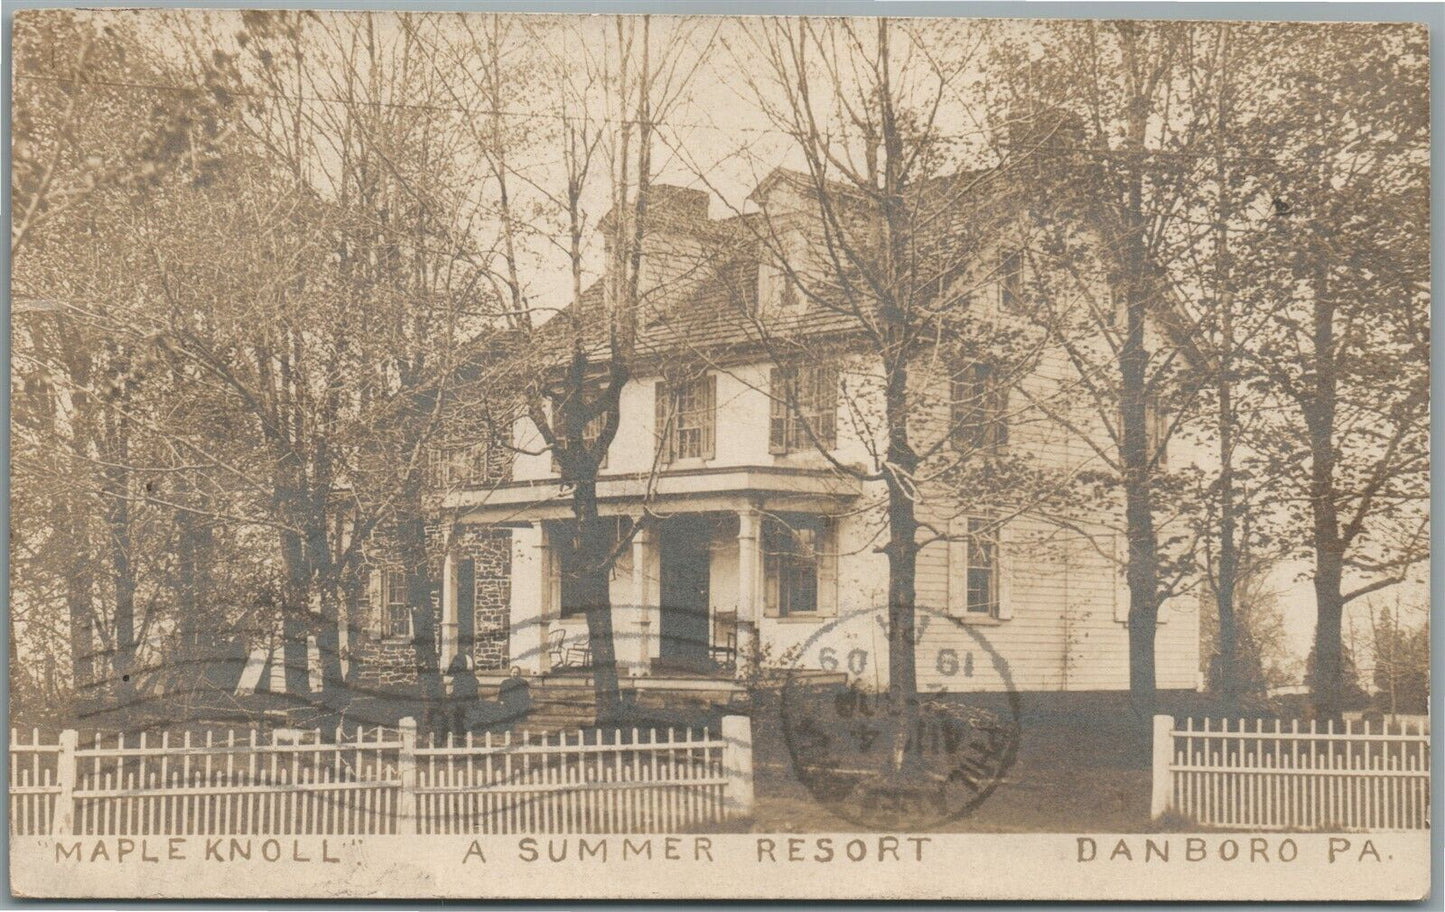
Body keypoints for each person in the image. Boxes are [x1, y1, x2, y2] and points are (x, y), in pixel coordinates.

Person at [445, 649, 479, 736]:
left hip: (462, 695)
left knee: (460, 713)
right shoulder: (466, 661)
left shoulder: (459, 659)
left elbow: (451, 671)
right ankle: (464, 732)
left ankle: (461, 732)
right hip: (465, 694)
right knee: (463, 713)